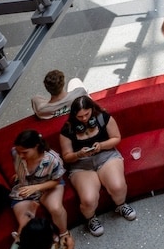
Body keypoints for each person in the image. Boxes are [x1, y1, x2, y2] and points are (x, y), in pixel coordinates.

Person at [58, 95, 136, 237]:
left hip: (106, 156)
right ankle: (91, 219)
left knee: (117, 186)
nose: (84, 119)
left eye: (86, 114)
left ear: (92, 110)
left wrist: (101, 146)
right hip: (81, 165)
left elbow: (116, 138)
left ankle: (121, 205)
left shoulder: (103, 117)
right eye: (79, 116)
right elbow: (67, 157)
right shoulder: (67, 130)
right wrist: (79, 154)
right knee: (88, 200)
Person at [9, 129, 68, 232]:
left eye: (24, 152)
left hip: (49, 186)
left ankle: (64, 233)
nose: (21, 156)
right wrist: (20, 174)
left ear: (36, 146)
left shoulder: (52, 160)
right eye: (19, 152)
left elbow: (57, 181)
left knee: (56, 209)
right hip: (25, 187)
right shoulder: (15, 153)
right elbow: (20, 166)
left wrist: (35, 188)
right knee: (24, 226)